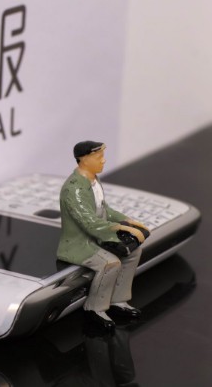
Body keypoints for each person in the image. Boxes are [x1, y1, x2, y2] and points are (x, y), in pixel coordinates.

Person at [58, 141, 150, 331]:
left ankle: (117, 300)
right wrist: (122, 228)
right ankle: (95, 309)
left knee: (133, 252)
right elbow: (89, 222)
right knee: (110, 263)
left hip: (98, 236)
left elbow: (104, 209)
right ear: (84, 159)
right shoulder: (74, 189)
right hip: (79, 243)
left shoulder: (94, 181)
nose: (103, 161)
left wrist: (127, 220)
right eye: (99, 157)